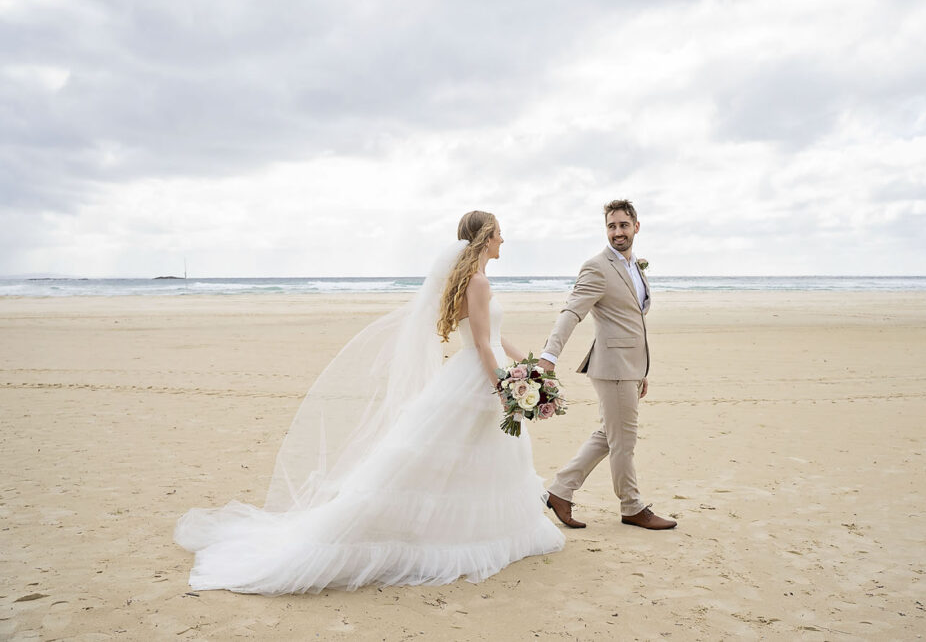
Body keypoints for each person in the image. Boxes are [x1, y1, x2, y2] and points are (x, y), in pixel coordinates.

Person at [175, 211, 564, 594]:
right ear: (486, 237)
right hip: (479, 378)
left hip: (483, 374)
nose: (503, 240)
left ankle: (476, 532)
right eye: (499, 233)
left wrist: (531, 367)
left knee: (477, 459)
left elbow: (496, 337)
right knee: (452, 459)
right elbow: (480, 344)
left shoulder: (477, 281)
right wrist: (503, 387)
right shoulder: (477, 282)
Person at [538, 199, 676, 530]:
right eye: (612, 226)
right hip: (612, 367)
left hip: (630, 366)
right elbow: (572, 311)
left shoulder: (634, 267)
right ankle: (631, 507)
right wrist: (550, 354)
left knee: (608, 435)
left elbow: (634, 321)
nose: (617, 232)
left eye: (623, 225)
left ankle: (560, 491)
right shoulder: (597, 267)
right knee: (624, 441)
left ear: (636, 227)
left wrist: (642, 371)